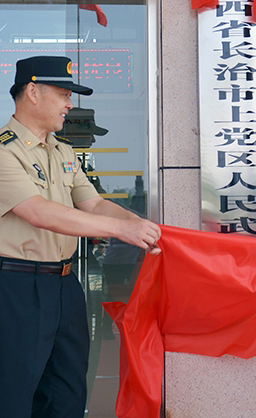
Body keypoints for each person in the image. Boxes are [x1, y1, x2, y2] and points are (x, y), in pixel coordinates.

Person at [0, 55, 161, 418]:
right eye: (63, 93)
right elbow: (39, 212)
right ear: (32, 92)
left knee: (68, 391)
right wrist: (123, 230)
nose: (70, 103)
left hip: (64, 285)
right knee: (14, 393)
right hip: (16, 287)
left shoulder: (63, 153)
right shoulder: (4, 152)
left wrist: (142, 227)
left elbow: (93, 205)